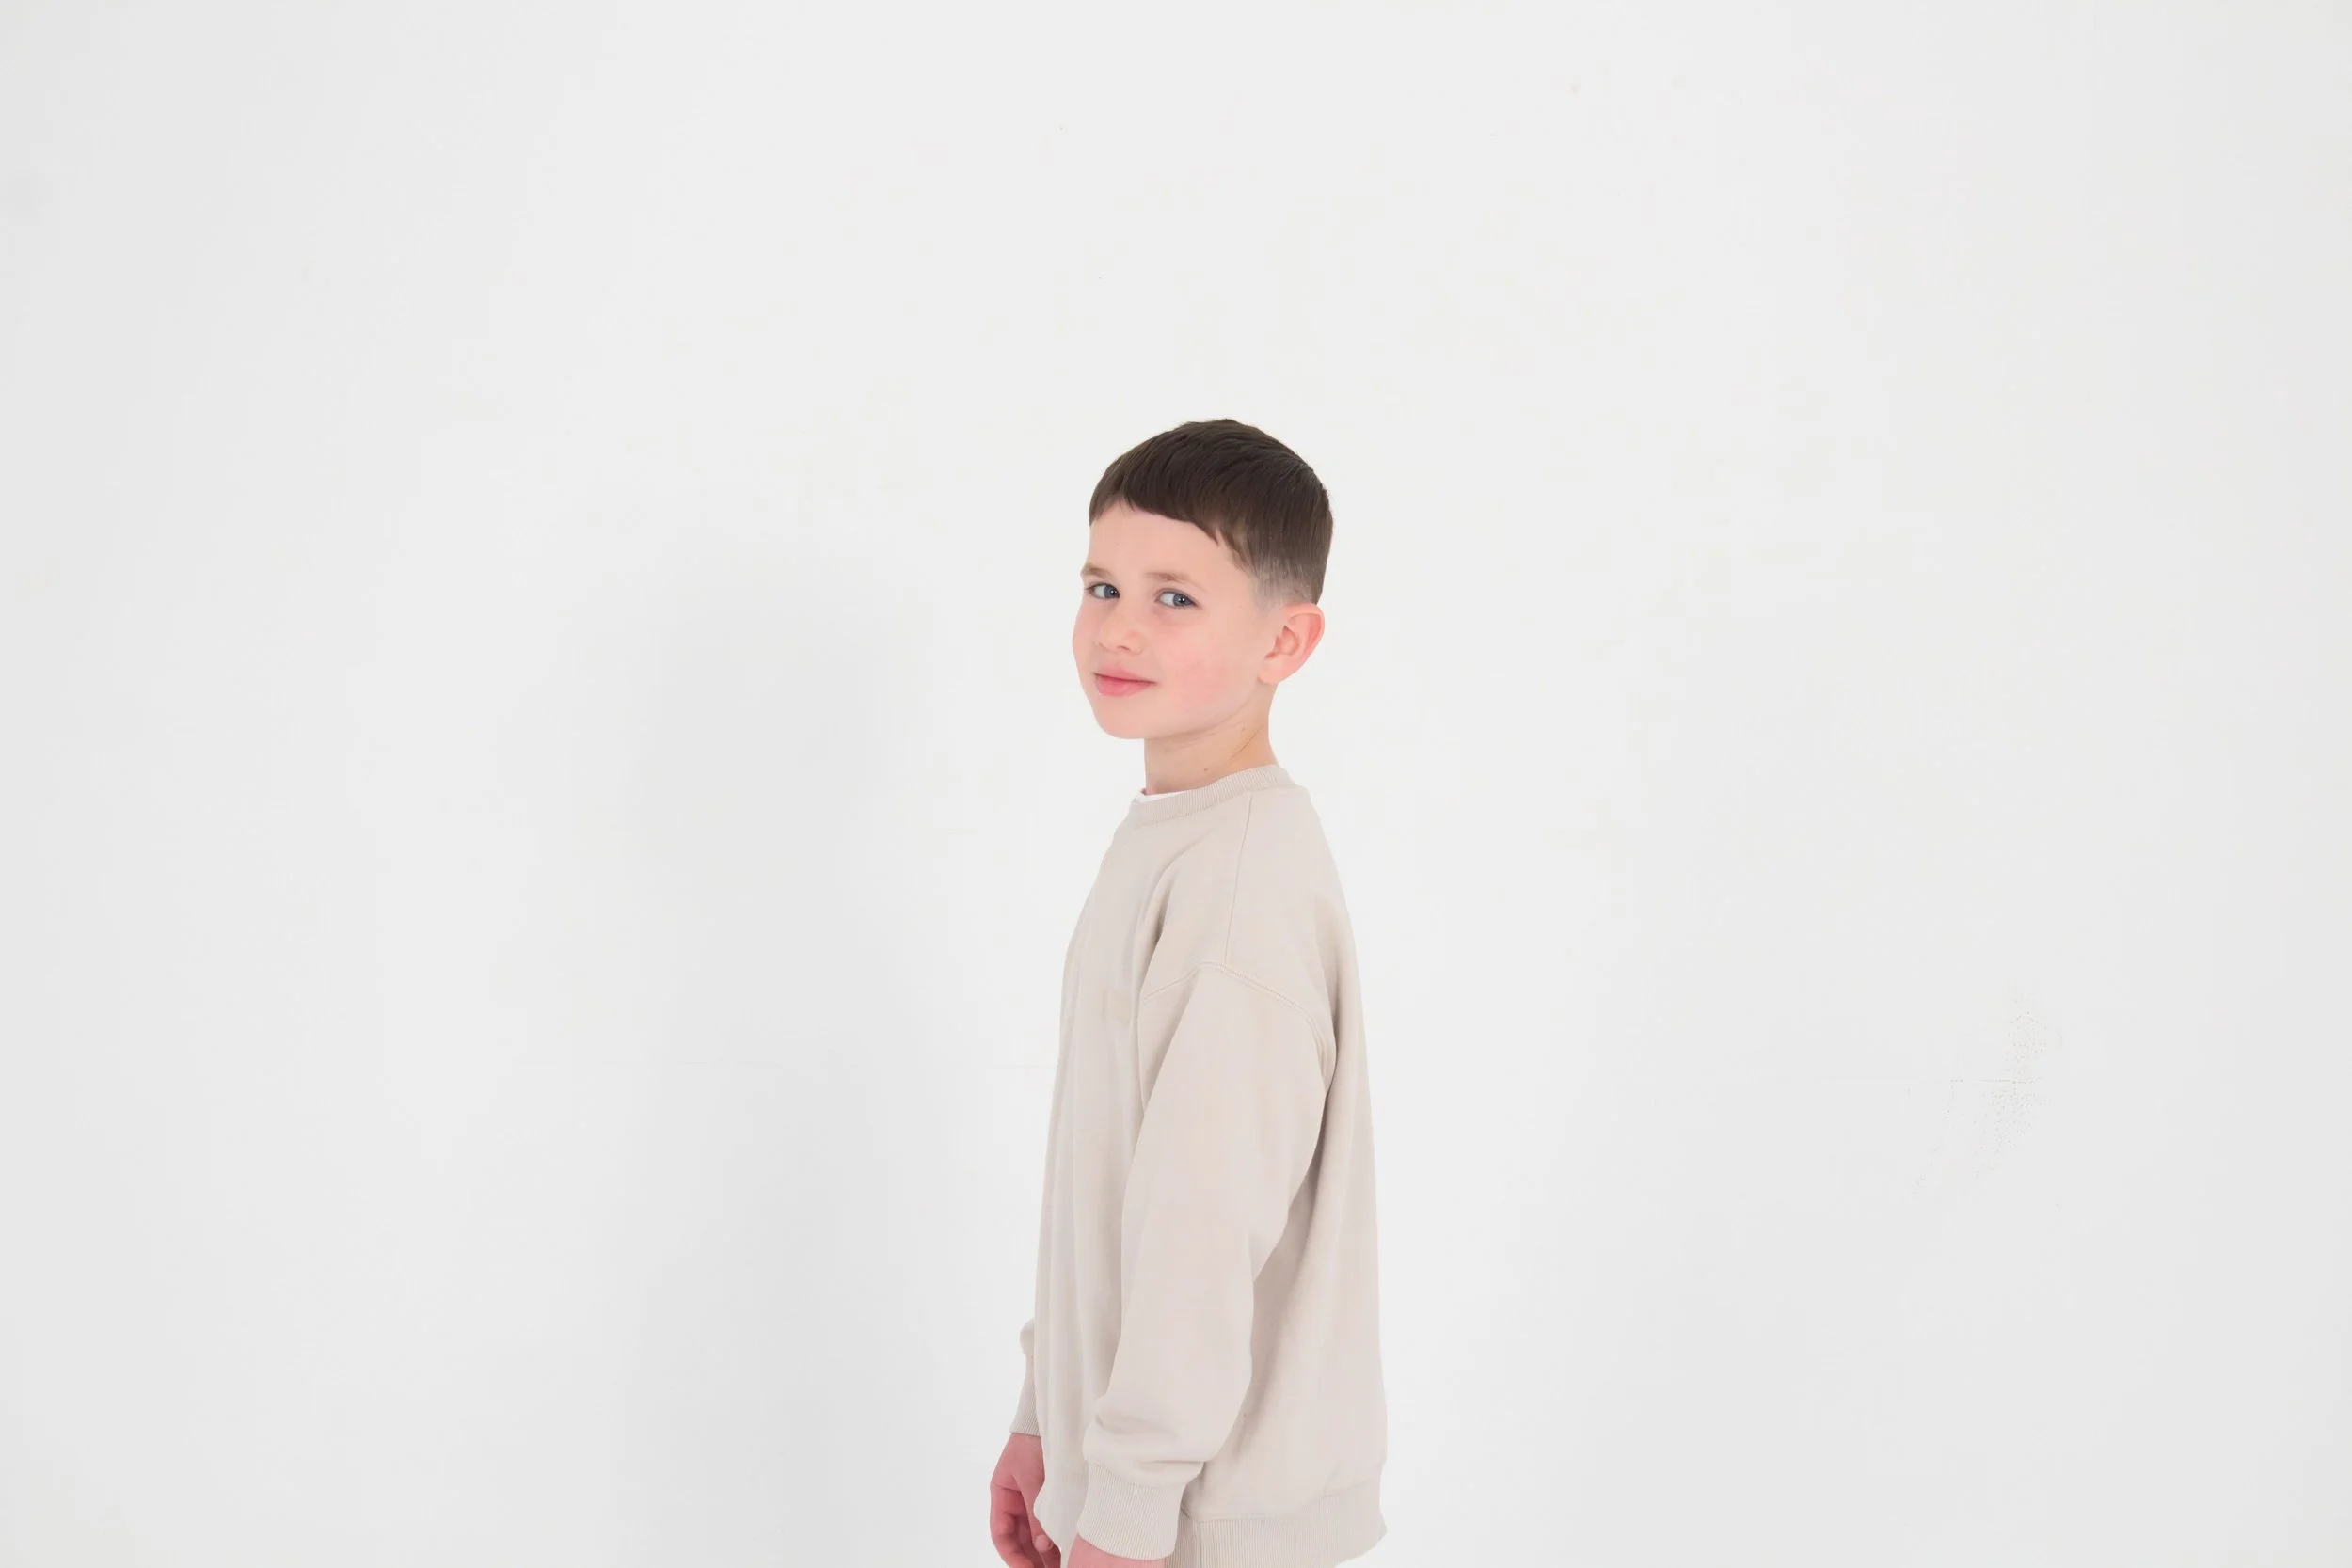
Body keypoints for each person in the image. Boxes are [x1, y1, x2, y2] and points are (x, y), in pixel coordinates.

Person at [988, 419, 1389, 1568]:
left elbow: (1200, 1229)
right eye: (1103, 582)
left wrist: (1125, 1503)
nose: (1117, 624)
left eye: (1176, 597)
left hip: (1207, 1524)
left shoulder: (1237, 886)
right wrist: (1042, 1418)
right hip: (1144, 1498)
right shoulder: (1170, 842)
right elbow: (1106, 1187)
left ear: (1287, 640)